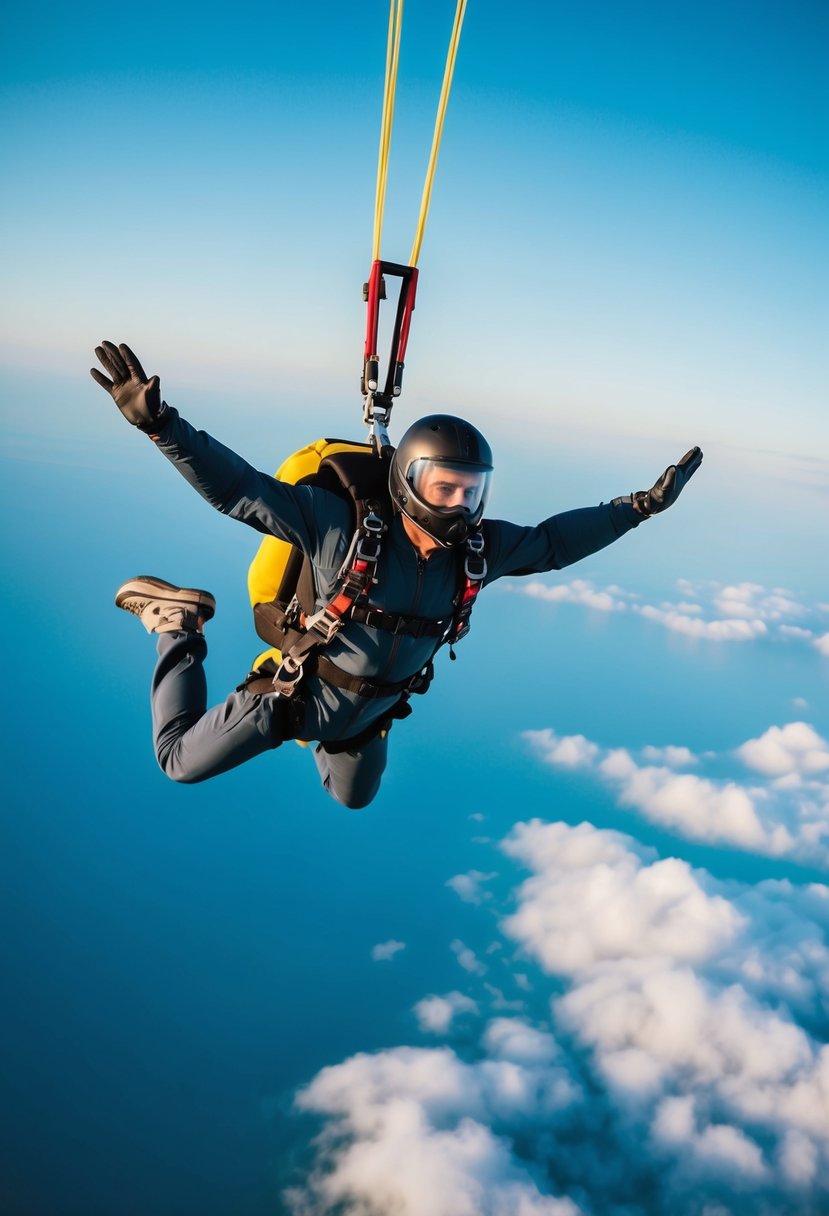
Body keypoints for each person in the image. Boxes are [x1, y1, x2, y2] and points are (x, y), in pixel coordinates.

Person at [91, 340, 702, 808]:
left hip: (368, 716)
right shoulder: (339, 528)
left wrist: (638, 508)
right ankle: (176, 622)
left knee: (353, 798)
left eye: (471, 489)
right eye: (446, 487)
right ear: (409, 482)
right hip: (292, 700)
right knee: (177, 762)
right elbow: (239, 489)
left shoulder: (477, 551)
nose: (460, 503)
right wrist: (160, 425)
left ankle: (344, 736)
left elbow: (553, 543)